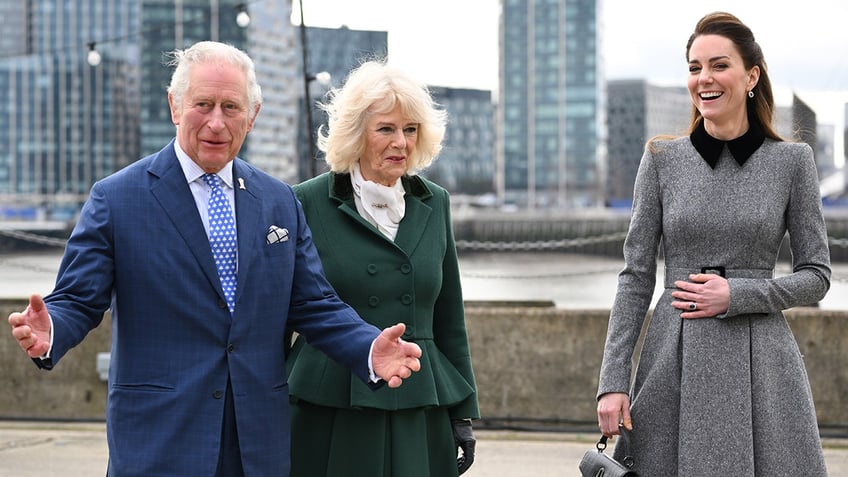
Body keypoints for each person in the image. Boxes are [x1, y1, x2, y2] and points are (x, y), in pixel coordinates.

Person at [6, 41, 423, 477]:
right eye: (203, 104)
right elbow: (78, 299)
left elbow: (314, 304)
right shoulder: (116, 198)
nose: (217, 122)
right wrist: (51, 327)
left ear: (253, 115)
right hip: (159, 439)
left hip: (256, 443)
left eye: (231, 107)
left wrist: (368, 346)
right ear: (174, 106)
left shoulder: (279, 201)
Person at [596, 12, 831, 477]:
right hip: (672, 359)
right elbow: (636, 277)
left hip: (761, 362)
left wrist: (739, 294)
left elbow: (817, 276)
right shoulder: (662, 159)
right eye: (694, 67)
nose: (704, 78)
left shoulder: (792, 162)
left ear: (751, 75)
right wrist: (612, 381)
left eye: (719, 65)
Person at [286, 60, 480, 477]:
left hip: (418, 402)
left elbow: (449, 315)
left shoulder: (435, 201)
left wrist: (462, 413)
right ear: (357, 133)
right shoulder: (304, 202)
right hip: (332, 403)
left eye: (410, 130)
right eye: (386, 129)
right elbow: (280, 316)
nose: (401, 143)